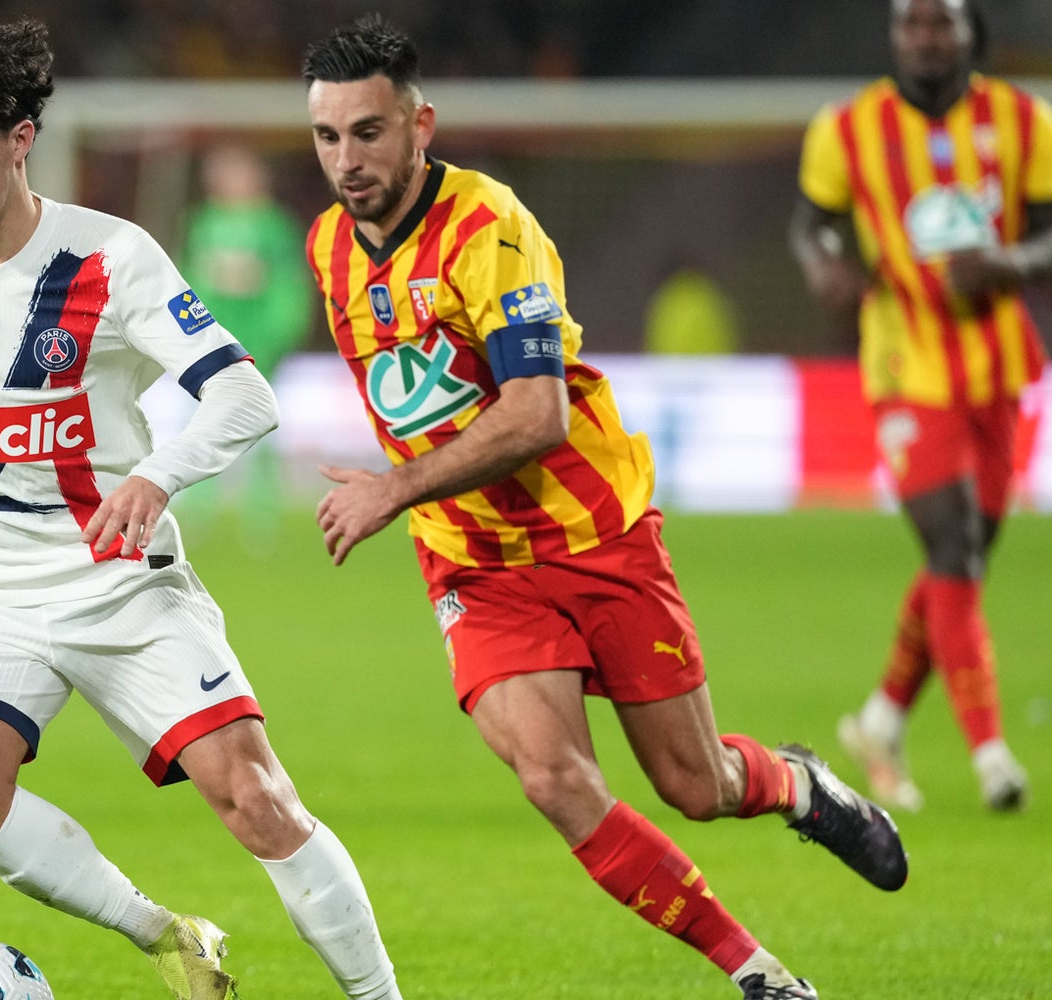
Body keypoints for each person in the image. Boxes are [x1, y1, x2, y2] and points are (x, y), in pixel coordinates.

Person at [297, 17, 909, 1000]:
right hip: (475, 566)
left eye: (367, 132)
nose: (345, 160)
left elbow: (534, 415)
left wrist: (393, 488)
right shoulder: (328, 248)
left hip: (593, 534)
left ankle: (794, 782)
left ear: (420, 124)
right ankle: (758, 974)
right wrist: (413, 497)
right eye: (326, 137)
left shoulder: (488, 229)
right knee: (552, 779)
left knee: (692, 784)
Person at [0, 18, 403, 1000]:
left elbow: (243, 395)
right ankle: (164, 932)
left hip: (118, 578)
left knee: (254, 797)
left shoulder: (112, 259)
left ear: (18, 137)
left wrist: (157, 473)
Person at [790, 0, 1048, 814]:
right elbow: (812, 224)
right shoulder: (849, 126)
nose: (926, 37)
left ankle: (882, 720)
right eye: (912, 24)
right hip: (903, 362)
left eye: (942, 23)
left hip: (999, 365)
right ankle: (991, 753)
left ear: (971, 32)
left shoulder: (1023, 119)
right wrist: (822, 266)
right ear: (896, 34)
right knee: (954, 545)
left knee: (964, 556)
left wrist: (1007, 259)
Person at [177, 144, 316, 532]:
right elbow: (188, 280)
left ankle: (263, 505)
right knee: (202, 415)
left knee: (262, 417)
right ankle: (200, 503)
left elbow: (290, 282)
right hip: (214, 338)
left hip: (258, 337)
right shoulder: (204, 222)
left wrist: (281, 327)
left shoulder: (274, 225)